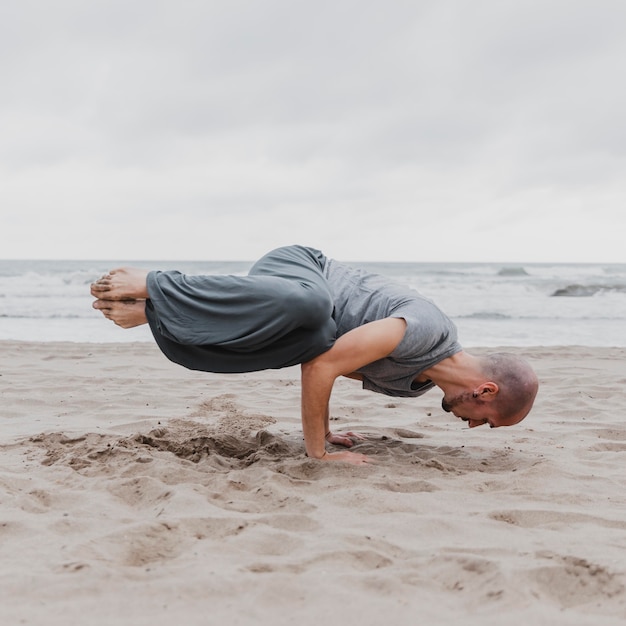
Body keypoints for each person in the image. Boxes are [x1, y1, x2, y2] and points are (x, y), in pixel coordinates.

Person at [91, 245, 538, 465]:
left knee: (308, 340)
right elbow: (324, 367)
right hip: (300, 274)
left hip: (303, 322)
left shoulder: (411, 386)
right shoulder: (428, 330)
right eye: (488, 419)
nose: (477, 427)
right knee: (314, 313)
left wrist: (326, 430)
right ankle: (156, 283)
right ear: (485, 390)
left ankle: (153, 312)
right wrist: (317, 452)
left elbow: (322, 361)